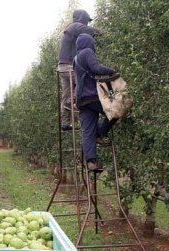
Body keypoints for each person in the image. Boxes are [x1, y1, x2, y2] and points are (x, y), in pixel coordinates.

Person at [73, 33, 116, 172]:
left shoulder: (76, 58)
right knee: (116, 111)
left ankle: (91, 162)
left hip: (81, 99)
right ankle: (101, 133)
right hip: (92, 95)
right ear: (89, 43)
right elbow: (96, 68)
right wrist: (112, 71)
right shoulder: (87, 52)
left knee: (87, 130)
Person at [57, 9, 100, 131]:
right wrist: (102, 33)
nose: (87, 24)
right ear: (82, 18)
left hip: (62, 67)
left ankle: (65, 122)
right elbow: (90, 31)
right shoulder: (75, 26)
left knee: (66, 95)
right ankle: (75, 107)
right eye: (87, 20)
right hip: (70, 67)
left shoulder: (69, 29)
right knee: (85, 87)